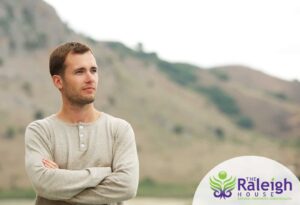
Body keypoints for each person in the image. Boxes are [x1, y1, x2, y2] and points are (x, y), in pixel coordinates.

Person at [25, 42, 139, 205]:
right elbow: (44, 184)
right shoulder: (40, 131)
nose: (90, 78)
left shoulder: (119, 130)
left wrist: (59, 190)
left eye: (93, 70)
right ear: (58, 82)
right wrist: (102, 173)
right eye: (80, 72)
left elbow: (127, 186)